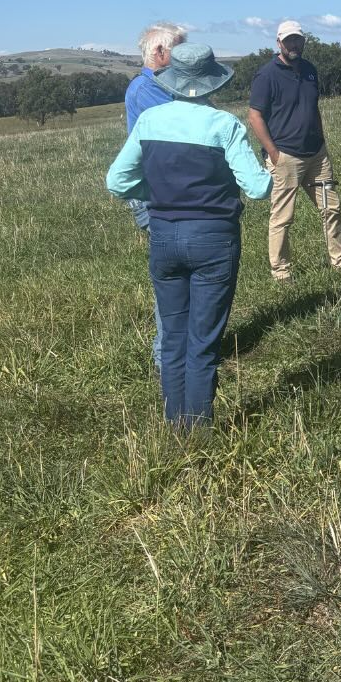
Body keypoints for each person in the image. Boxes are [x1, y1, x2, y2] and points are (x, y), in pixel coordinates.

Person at [106, 43, 272, 429]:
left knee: (174, 334)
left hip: (164, 237)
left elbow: (117, 182)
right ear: (213, 82)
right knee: (203, 339)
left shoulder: (149, 122)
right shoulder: (224, 125)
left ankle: (173, 423)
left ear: (173, 80)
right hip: (215, 239)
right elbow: (258, 188)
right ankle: (197, 429)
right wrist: (267, 173)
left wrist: (159, 194)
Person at [247, 20, 341, 282]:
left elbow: (312, 107)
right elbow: (255, 115)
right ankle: (281, 271)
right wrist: (273, 153)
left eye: (298, 40)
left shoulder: (310, 70)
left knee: (331, 208)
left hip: (317, 155)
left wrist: (321, 138)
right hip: (286, 157)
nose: (294, 44)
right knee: (283, 217)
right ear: (279, 42)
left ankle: (340, 260)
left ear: (304, 41)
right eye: (289, 40)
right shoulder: (266, 75)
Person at [124, 22, 187, 368]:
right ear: (160, 53)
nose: (185, 56)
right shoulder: (146, 90)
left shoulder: (165, 86)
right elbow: (180, 126)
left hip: (172, 192)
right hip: (157, 196)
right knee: (172, 279)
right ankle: (167, 357)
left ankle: (182, 351)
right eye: (179, 49)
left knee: (182, 275)